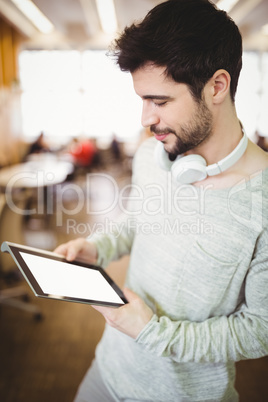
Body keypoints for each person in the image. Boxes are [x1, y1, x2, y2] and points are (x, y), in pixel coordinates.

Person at [55, 1, 268, 400]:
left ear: (217, 86)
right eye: (142, 99)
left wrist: (153, 333)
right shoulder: (153, 157)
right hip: (107, 371)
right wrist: (98, 247)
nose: (145, 119)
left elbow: (261, 329)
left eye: (160, 101)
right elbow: (139, 222)